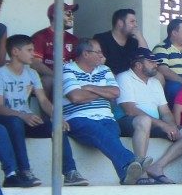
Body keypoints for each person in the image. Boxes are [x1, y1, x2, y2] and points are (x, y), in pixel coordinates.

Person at [0, 33, 87, 186]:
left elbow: (43, 100)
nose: (33, 54)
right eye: (29, 50)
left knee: (56, 126)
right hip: (4, 121)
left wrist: (57, 116)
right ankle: (24, 171)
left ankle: (70, 173)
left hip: (24, 120)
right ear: (15, 52)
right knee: (15, 122)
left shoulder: (32, 73)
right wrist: (23, 116)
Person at [63, 37, 147, 185]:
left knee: (109, 130)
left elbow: (115, 92)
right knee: (97, 130)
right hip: (78, 118)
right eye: (98, 52)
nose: (102, 56)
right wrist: (103, 93)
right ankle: (132, 160)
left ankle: (126, 175)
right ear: (85, 54)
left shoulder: (105, 69)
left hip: (107, 118)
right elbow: (76, 96)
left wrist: (89, 88)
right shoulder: (67, 69)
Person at [116, 47, 182, 184]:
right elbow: (129, 110)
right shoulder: (124, 77)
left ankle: (157, 167)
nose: (156, 65)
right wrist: (161, 124)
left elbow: (165, 111)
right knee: (144, 120)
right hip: (128, 122)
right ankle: (140, 171)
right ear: (138, 65)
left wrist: (171, 126)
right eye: (151, 62)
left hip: (152, 123)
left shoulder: (155, 82)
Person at [30, 2, 79, 93]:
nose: (72, 17)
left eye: (72, 14)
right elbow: (35, 63)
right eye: (68, 13)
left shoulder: (74, 39)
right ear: (55, 15)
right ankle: (49, 108)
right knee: (48, 80)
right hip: (49, 77)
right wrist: (56, 76)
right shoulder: (40, 37)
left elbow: (79, 63)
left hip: (70, 77)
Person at [151, 18, 182, 103]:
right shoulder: (161, 48)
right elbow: (163, 70)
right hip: (177, 85)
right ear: (174, 33)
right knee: (174, 87)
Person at [92, 8, 147, 76]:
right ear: (120, 23)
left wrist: (139, 36)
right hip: (109, 79)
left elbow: (146, 58)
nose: (136, 25)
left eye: (136, 22)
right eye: (132, 21)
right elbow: (96, 65)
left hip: (131, 80)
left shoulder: (134, 42)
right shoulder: (101, 39)